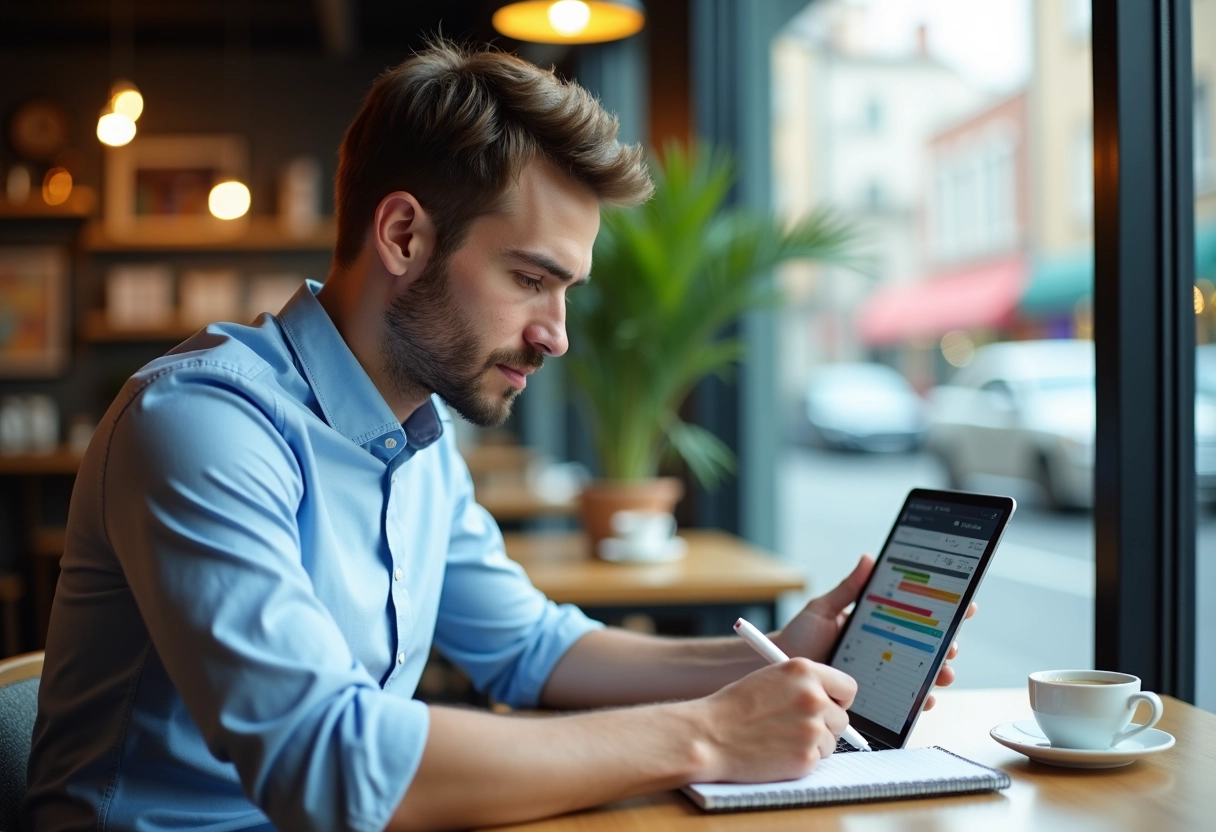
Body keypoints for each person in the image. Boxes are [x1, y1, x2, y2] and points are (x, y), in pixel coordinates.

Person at [23, 40, 969, 832]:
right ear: (404, 237)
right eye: (530, 279)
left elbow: (534, 650)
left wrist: (774, 655)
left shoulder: (420, 438)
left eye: (567, 291)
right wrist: (710, 735)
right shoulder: (200, 425)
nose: (556, 334)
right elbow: (324, 758)